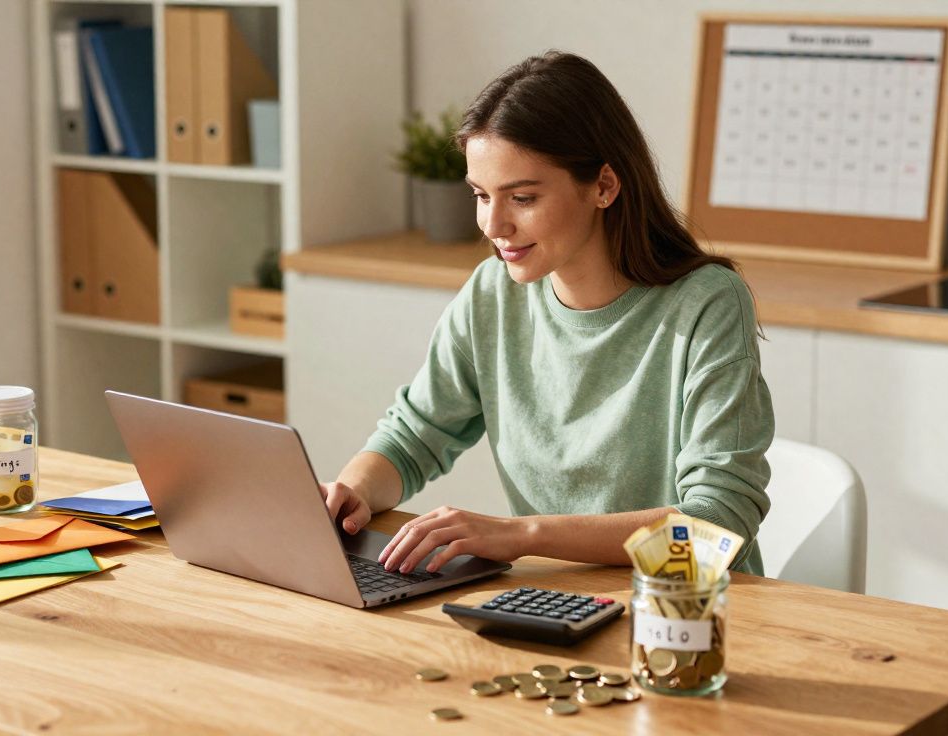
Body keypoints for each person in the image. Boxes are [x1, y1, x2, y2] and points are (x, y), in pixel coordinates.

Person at [318, 51, 774, 577]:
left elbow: (717, 526)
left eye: (523, 197)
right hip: (554, 602)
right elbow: (414, 435)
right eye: (480, 195)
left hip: (684, 613)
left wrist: (521, 535)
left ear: (604, 185)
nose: (494, 224)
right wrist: (352, 491)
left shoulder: (706, 303)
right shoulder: (493, 293)